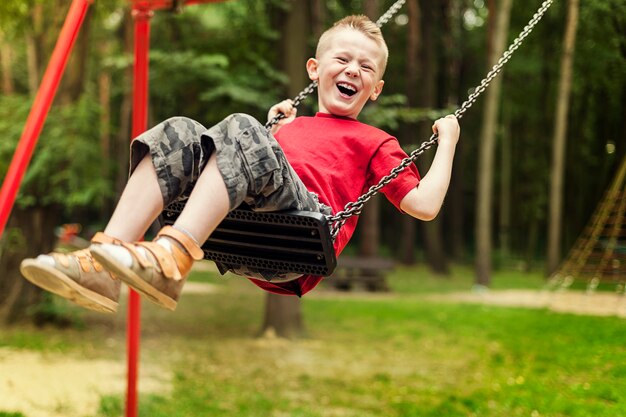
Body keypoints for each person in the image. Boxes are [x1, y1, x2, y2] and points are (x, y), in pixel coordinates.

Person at [20, 15, 460, 313]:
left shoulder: (375, 140)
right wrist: (272, 133)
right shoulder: (287, 126)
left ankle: (172, 258)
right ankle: (103, 265)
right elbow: (243, 169)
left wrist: (448, 142)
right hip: (248, 232)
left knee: (238, 125)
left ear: (376, 89)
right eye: (342, 60)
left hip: (302, 236)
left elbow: (423, 205)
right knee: (179, 130)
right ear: (314, 68)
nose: (353, 71)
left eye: (366, 67)